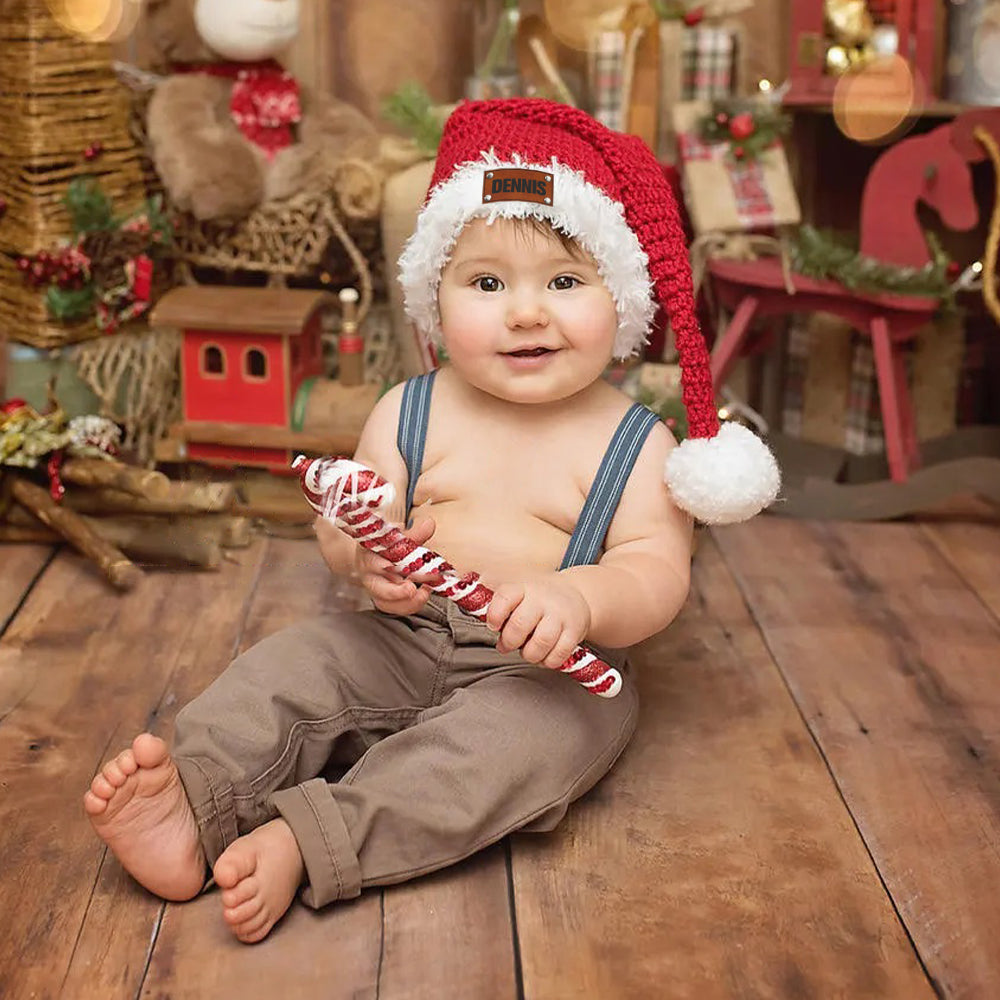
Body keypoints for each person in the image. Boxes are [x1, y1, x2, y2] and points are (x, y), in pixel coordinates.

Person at [84, 99, 779, 944]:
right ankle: (194, 800)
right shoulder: (408, 409)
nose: (525, 312)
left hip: (546, 672)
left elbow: (657, 573)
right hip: (398, 635)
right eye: (487, 282)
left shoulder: (635, 442)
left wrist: (583, 602)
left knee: (516, 751)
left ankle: (314, 838)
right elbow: (349, 521)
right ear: (436, 295)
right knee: (289, 669)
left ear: (622, 296)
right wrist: (357, 556)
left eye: (564, 281)